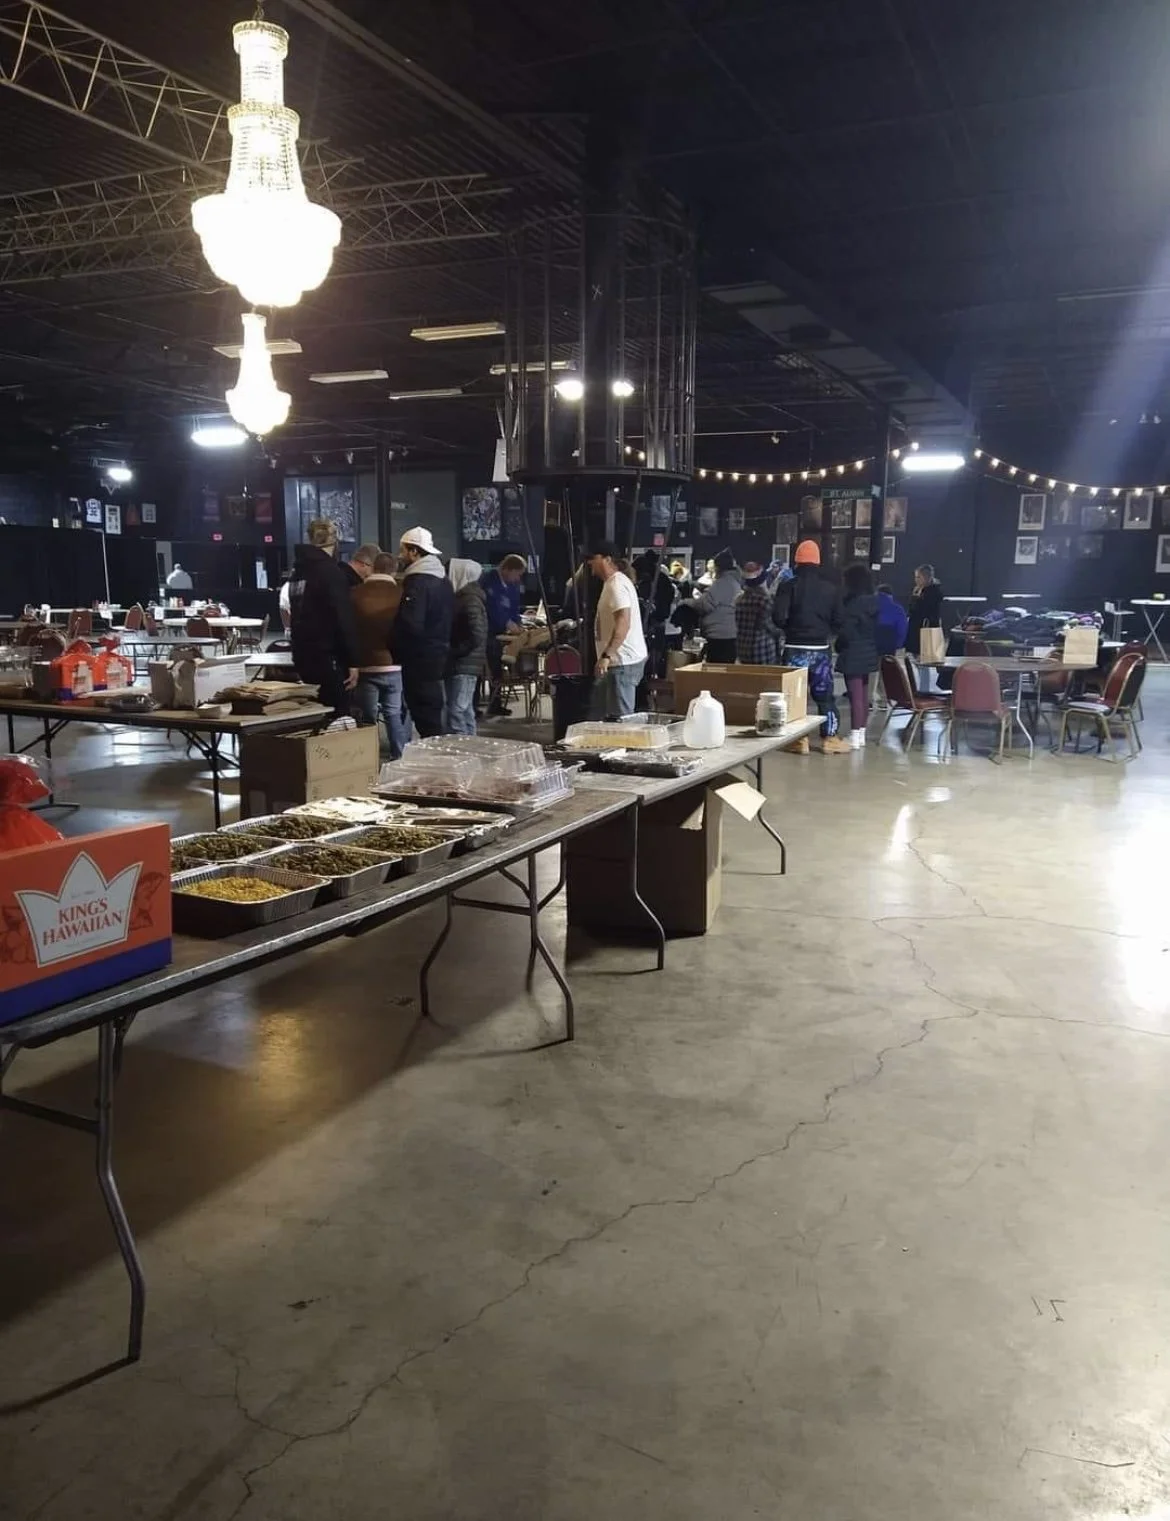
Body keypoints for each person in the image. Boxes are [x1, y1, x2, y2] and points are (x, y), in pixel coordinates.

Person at [771, 539, 850, 753]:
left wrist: (790, 628)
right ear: (817, 563)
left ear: (796, 561)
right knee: (824, 696)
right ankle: (829, 739)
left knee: (794, 697)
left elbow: (778, 617)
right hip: (820, 651)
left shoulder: (788, 586)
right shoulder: (831, 589)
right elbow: (840, 620)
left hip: (794, 647)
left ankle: (799, 741)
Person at [288, 518, 360, 719]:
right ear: (335, 541)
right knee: (338, 717)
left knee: (314, 715)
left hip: (303, 655)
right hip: (329, 659)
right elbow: (342, 618)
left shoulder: (298, 571)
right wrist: (353, 660)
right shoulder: (330, 572)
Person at [395, 527, 454, 738]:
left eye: (402, 551)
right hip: (438, 658)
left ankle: (434, 764)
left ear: (414, 552)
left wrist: (395, 646)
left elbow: (411, 625)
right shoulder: (443, 581)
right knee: (434, 714)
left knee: (426, 720)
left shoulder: (418, 583)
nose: (400, 556)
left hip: (419, 661)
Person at [351, 551, 409, 758]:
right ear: (394, 570)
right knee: (393, 713)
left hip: (365, 664)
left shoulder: (355, 593)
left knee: (368, 717)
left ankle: (367, 757)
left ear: (373, 567)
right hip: (394, 664)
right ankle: (399, 754)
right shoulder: (402, 593)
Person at [586, 540, 647, 718]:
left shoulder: (616, 585)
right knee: (602, 714)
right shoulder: (613, 583)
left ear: (607, 559)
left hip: (621, 663)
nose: (589, 562)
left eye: (593, 558)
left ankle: (627, 745)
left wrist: (607, 655)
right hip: (617, 662)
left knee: (621, 719)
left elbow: (623, 623)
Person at [837, 563, 881, 750]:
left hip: (852, 652)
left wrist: (838, 644)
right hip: (869, 651)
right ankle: (860, 732)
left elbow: (846, 630)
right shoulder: (874, 602)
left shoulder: (852, 604)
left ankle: (854, 735)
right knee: (862, 695)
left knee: (855, 695)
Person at [445, 559, 488, 735]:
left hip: (464, 664)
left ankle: (462, 751)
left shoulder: (468, 600)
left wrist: (455, 651)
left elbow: (477, 633)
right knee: (465, 710)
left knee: (456, 711)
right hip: (466, 664)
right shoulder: (467, 597)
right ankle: (472, 746)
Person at [481, 553, 527, 715]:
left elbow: (514, 607)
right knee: (489, 666)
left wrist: (517, 624)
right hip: (487, 630)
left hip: (503, 632)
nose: (517, 579)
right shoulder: (488, 581)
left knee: (499, 667)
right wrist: (507, 623)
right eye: (517, 574)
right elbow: (491, 607)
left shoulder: (513, 585)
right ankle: (478, 706)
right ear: (508, 569)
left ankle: (496, 703)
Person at [696, 549, 740, 662]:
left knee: (716, 671)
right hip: (730, 633)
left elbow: (704, 605)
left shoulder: (722, 583)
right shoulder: (735, 582)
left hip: (719, 634)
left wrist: (690, 603)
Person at [735, 561, 781, 665]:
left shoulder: (738, 600)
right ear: (761, 581)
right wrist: (780, 632)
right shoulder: (764, 601)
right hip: (761, 650)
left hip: (742, 649)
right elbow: (769, 627)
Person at [906, 563, 943, 657]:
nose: (916, 580)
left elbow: (921, 609)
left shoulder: (933, 592)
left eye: (919, 577)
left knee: (926, 659)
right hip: (917, 629)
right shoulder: (918, 590)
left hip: (926, 629)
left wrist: (916, 598)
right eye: (915, 577)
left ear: (926, 578)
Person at [875, 581, 909, 656]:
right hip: (890, 646)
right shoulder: (898, 609)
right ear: (890, 595)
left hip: (871, 647)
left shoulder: (870, 607)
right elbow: (902, 630)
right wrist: (898, 645)